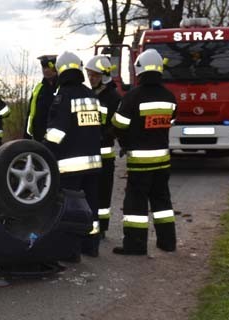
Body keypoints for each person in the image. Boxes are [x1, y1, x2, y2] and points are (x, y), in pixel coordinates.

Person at [111, 49, 177, 255]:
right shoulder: (169, 97)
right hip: (162, 160)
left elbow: (119, 124)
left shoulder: (133, 96)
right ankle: (168, 242)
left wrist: (123, 136)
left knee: (136, 206)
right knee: (162, 203)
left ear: (139, 69)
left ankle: (135, 245)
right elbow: (171, 121)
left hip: (140, 162)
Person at [42, 51, 103, 258]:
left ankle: (71, 250)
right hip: (93, 163)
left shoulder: (63, 96)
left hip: (70, 166)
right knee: (91, 206)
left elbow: (57, 133)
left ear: (61, 71)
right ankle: (91, 246)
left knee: (70, 208)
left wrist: (44, 149)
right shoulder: (91, 95)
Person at [85, 55, 122, 238]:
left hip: (105, 154)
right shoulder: (87, 95)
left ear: (104, 76)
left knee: (103, 193)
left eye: (95, 75)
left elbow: (117, 124)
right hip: (88, 153)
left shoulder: (113, 97)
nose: (91, 79)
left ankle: (102, 227)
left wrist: (105, 135)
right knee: (89, 192)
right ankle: (90, 225)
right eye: (89, 75)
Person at [24, 55, 58, 141]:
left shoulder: (63, 87)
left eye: (48, 67)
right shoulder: (38, 89)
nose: (45, 70)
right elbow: (31, 114)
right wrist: (27, 136)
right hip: (39, 137)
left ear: (55, 67)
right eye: (43, 67)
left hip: (58, 137)